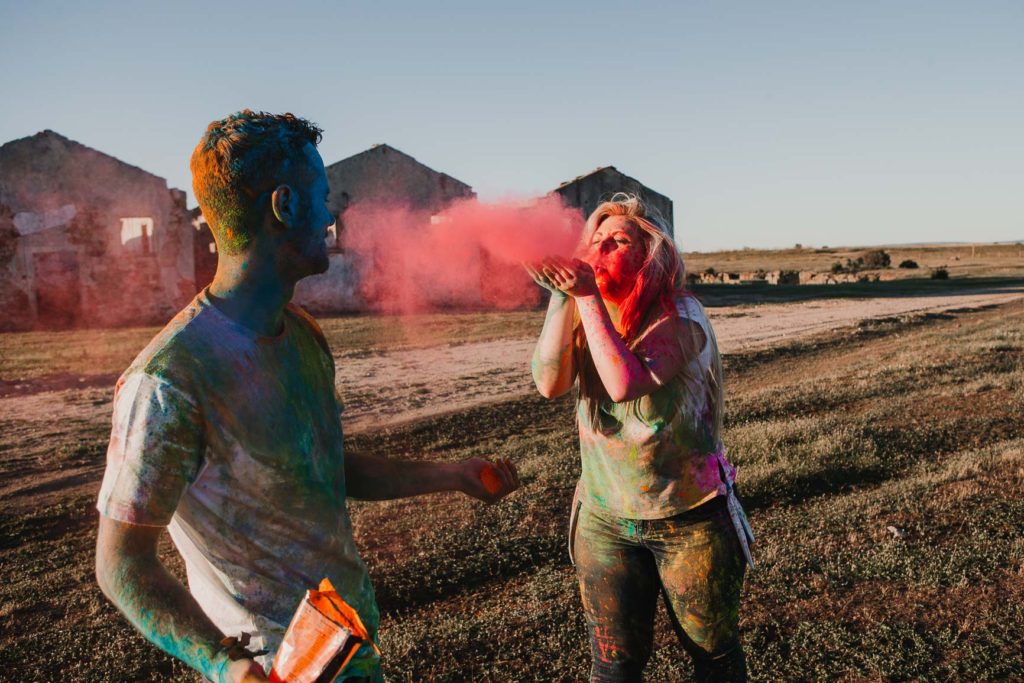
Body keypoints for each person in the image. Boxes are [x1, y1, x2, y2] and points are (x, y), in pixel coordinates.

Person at [94, 110, 520, 683]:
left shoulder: (303, 335)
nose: (331, 215)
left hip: (348, 646)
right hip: (274, 667)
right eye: (323, 198)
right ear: (286, 206)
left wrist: (451, 475)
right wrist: (225, 666)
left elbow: (326, 470)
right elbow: (121, 563)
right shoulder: (169, 380)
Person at [527, 193, 753, 682]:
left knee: (714, 660)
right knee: (614, 665)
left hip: (689, 518)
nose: (600, 247)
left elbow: (625, 384)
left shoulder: (682, 315)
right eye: (594, 240)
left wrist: (585, 296)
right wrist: (561, 294)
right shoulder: (589, 312)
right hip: (605, 519)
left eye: (618, 239)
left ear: (652, 254)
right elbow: (548, 384)